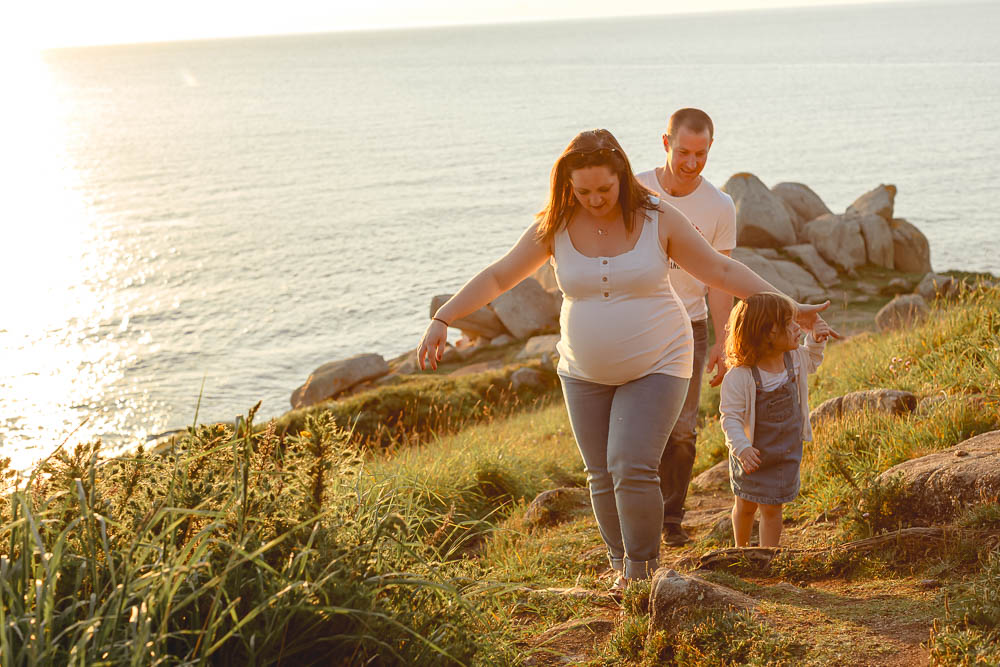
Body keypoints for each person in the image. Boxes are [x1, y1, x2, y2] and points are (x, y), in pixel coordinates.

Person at [416, 129, 836, 588]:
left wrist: (791, 306)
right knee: (601, 473)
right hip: (583, 369)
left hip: (660, 360)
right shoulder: (554, 225)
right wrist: (445, 316)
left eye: (604, 188)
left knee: (631, 464)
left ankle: (642, 571)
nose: (595, 199)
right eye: (583, 191)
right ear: (566, 185)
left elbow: (719, 268)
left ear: (622, 177)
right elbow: (500, 276)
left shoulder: (657, 217)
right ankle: (621, 568)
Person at [636, 108, 736, 546]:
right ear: (665, 143)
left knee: (683, 429)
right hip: (635, 323)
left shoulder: (719, 206)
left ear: (710, 147)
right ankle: (635, 514)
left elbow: (721, 277)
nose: (692, 163)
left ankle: (670, 520)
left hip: (690, 328)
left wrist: (723, 339)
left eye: (701, 153)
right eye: (683, 152)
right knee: (638, 424)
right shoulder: (635, 189)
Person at [720, 292, 831, 548]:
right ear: (769, 332)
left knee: (772, 510)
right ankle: (741, 550)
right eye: (790, 323)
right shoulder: (740, 376)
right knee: (745, 504)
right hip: (751, 455)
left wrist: (814, 339)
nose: (797, 327)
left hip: (783, 453)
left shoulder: (794, 359)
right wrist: (741, 448)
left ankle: (767, 558)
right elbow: (731, 418)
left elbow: (813, 361)